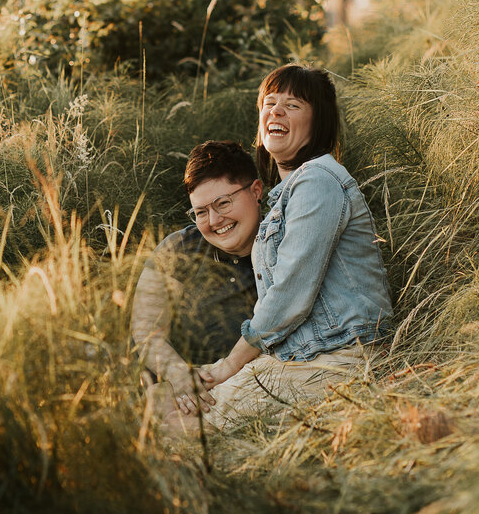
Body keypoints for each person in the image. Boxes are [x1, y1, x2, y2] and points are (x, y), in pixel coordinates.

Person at [172, 64, 394, 431]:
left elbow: (291, 293)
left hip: (340, 360)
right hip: (298, 357)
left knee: (188, 428)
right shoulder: (281, 197)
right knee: (165, 398)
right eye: (270, 103)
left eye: (292, 105)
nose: (275, 111)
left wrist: (229, 365)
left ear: (317, 122)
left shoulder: (319, 183)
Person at [131, 140, 262, 417]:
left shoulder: (283, 247)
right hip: (178, 393)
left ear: (256, 191)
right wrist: (179, 375)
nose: (214, 221)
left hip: (246, 389)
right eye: (201, 212)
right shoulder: (178, 249)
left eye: (223, 203)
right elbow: (145, 332)